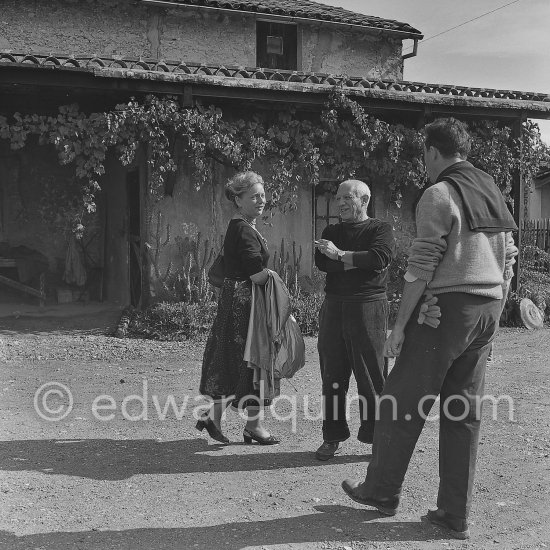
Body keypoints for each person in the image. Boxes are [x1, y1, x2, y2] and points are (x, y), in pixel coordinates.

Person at [341, 118, 518, 540]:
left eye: (424, 154)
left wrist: (398, 327)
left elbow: (422, 264)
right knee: (462, 412)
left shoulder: (439, 193)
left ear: (434, 152)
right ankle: (454, 515)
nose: (424, 162)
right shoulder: (490, 188)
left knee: (399, 402)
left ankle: (381, 491)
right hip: (488, 307)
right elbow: (510, 255)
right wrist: (494, 303)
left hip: (446, 312)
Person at [314, 180, 395, 460]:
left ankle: (377, 437)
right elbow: (322, 264)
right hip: (334, 306)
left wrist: (339, 255)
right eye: (338, 199)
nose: (341, 203)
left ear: (365, 200)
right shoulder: (331, 231)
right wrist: (353, 260)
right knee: (332, 373)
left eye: (348, 197)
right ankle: (332, 436)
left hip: (368, 307)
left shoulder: (379, 229)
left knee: (372, 374)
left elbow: (379, 258)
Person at [197, 171, 279, 445]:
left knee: (244, 359)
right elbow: (256, 274)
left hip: (238, 301)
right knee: (250, 359)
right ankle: (228, 420)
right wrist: (277, 282)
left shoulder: (241, 225)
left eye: (263, 195)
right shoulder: (244, 230)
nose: (261, 200)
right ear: (239, 199)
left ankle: (239, 422)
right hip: (245, 305)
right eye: (254, 196)